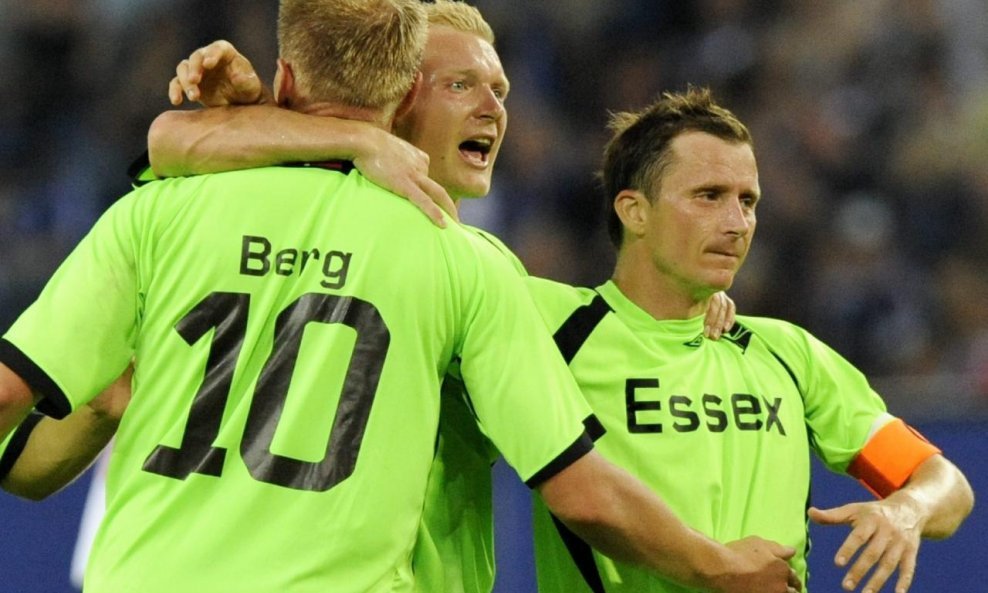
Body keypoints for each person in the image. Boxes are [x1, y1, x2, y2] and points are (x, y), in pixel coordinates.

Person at [0, 2, 800, 593]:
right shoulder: (465, 267)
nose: (493, 106)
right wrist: (722, 565)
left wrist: (690, 310)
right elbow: (580, 487)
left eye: (501, 88)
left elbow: (169, 144)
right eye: (459, 83)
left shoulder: (164, 212)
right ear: (397, 96)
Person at [524, 87, 975, 593]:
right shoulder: (550, 324)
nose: (737, 224)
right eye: (709, 196)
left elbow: (946, 484)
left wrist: (907, 509)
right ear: (634, 211)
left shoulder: (786, 353)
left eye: (748, 201)